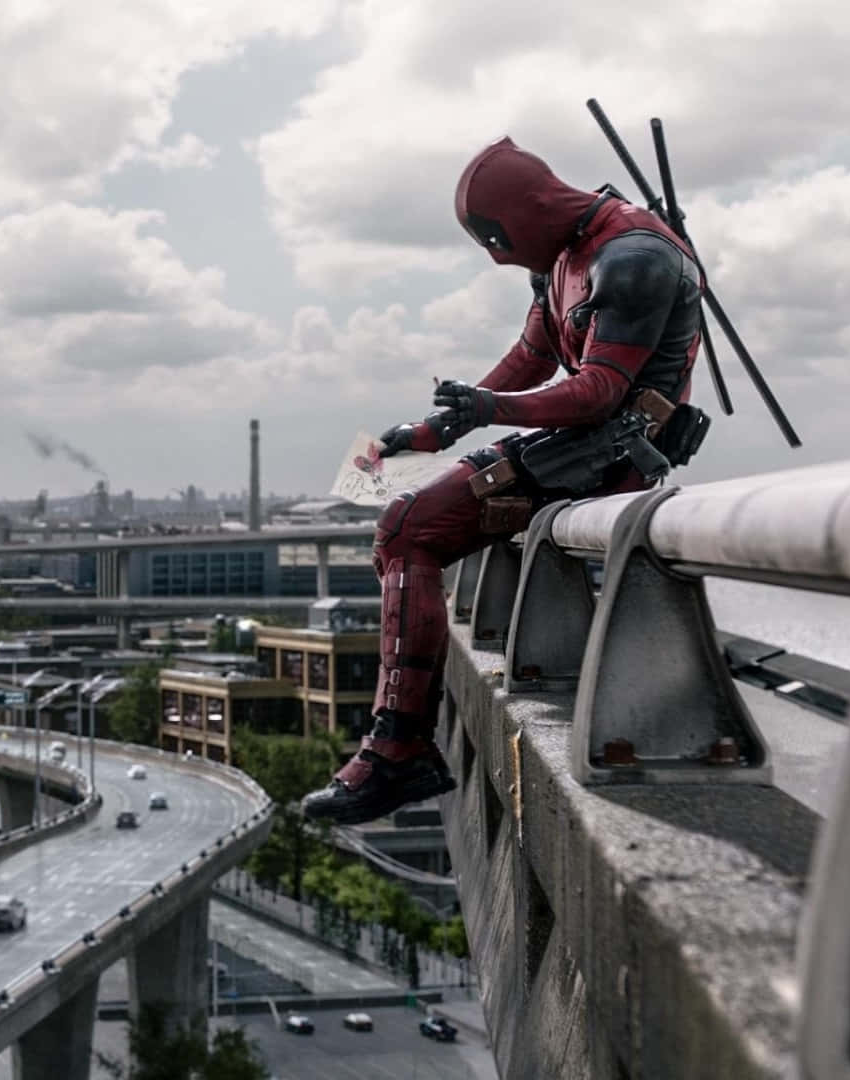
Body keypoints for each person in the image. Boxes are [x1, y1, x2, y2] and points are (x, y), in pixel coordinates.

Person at [301, 136, 707, 825]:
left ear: (528, 213)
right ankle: (396, 750)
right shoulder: (561, 258)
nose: (495, 256)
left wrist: (491, 412)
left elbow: (601, 391)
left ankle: (396, 754)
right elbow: (531, 355)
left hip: (614, 453)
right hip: (587, 444)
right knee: (403, 526)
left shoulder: (634, 259)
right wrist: (433, 432)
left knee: (408, 527)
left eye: (497, 239)